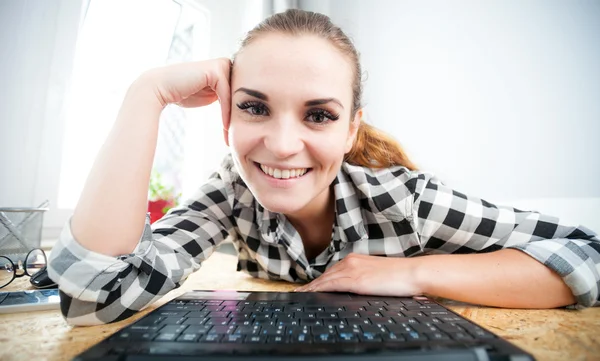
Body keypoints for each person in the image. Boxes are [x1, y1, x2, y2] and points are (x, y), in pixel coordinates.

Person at [48, 9, 599, 326]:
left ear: (350, 129)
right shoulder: (230, 193)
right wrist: (148, 94)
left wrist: (410, 273)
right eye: (255, 107)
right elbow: (94, 297)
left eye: (318, 115)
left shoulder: (404, 201)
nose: (283, 145)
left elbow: (589, 255)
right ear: (227, 118)